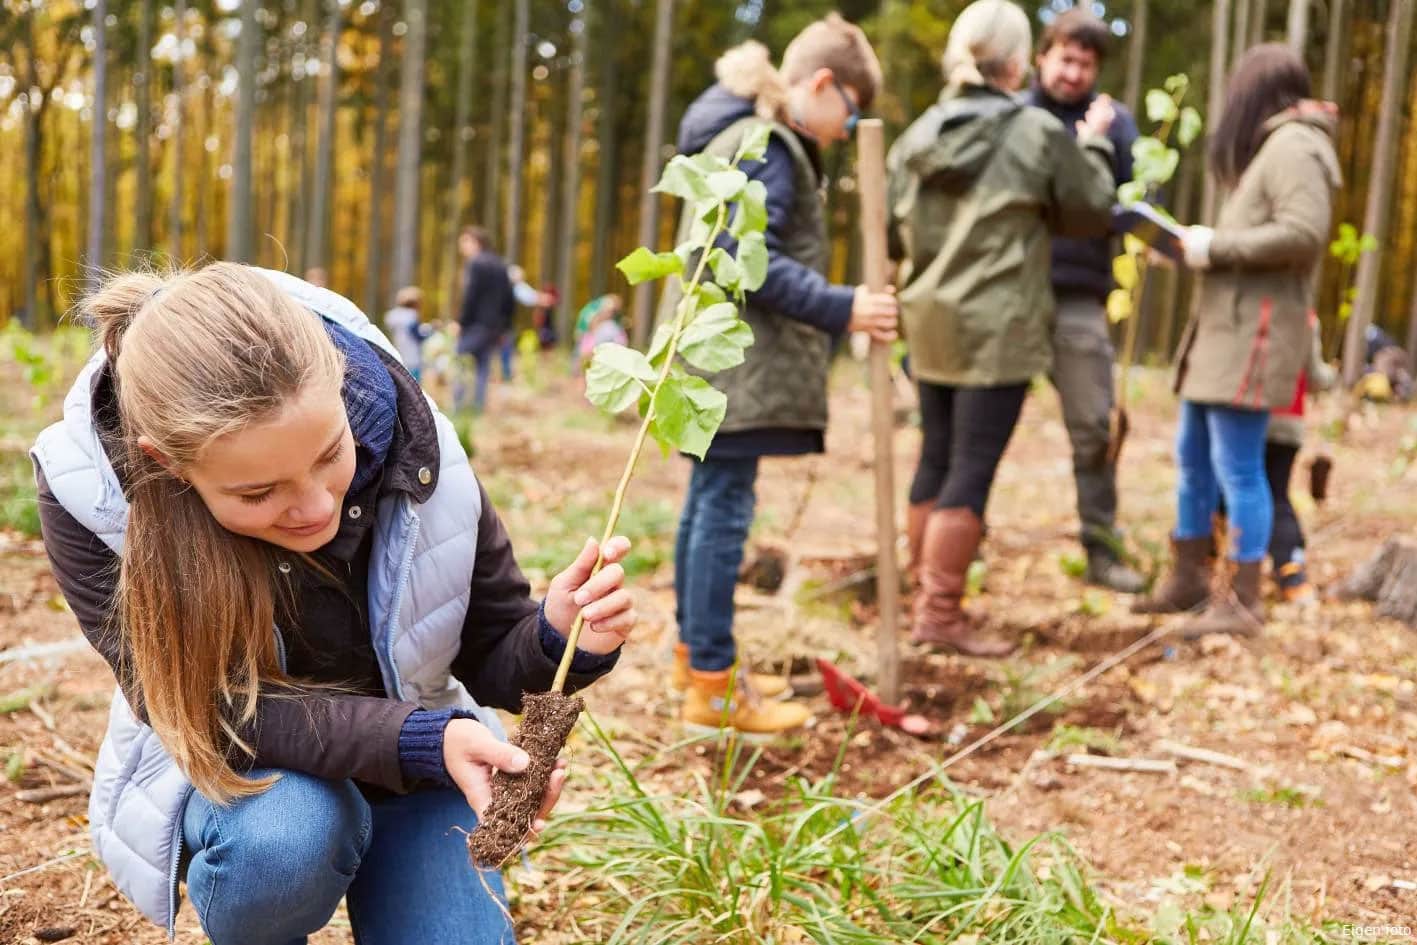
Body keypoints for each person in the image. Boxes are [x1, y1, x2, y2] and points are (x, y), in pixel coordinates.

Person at [31, 263, 638, 944]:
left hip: (416, 775)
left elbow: (492, 646)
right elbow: (204, 706)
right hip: (259, 783)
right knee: (289, 839)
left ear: (342, 390)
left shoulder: (416, 442)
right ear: (170, 462)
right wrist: (422, 740)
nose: (316, 505)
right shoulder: (93, 495)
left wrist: (560, 637)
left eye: (330, 454)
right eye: (258, 493)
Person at [665, 15, 898, 734]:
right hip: (736, 362)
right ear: (822, 85)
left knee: (709, 503)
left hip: (719, 360)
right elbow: (744, 260)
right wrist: (843, 305)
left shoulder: (745, 136)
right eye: (850, 110)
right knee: (723, 509)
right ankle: (711, 685)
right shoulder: (766, 144)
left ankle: (700, 662)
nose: (845, 128)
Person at [887, 0, 1117, 657]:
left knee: (934, 454)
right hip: (999, 326)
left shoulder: (919, 135)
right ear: (1017, 62)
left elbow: (887, 230)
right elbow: (1091, 207)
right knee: (970, 467)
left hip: (927, 321)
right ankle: (939, 613)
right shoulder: (1036, 131)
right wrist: (1095, 141)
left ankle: (919, 596)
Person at [1134, 44, 1340, 637]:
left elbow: (1303, 235)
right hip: (1220, 337)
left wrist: (1214, 247)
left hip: (1253, 337)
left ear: (1255, 91)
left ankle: (1244, 601)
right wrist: (1188, 252)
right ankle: (1188, 579)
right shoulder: (1271, 149)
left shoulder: (1298, 146)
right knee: (1194, 462)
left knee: (1241, 469)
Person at [1026, 8, 1146, 593]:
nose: (1073, 72)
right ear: (1042, 56)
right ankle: (952, 553)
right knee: (974, 425)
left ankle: (1101, 551)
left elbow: (1134, 197)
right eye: (1065, 58)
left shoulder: (1115, 122)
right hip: (1012, 295)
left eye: (1086, 63)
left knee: (1093, 427)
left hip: (1080, 295)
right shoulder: (1015, 114)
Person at [455, 226, 515, 413]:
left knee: (460, 360)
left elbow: (471, 296)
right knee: (483, 366)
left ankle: (458, 407)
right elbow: (509, 298)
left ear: (475, 242)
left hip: (475, 325)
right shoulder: (501, 265)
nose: (462, 248)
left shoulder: (475, 264)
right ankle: (477, 408)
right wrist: (505, 326)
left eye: (464, 242)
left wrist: (461, 322)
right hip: (494, 327)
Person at [383, 285, 430, 381]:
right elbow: (418, 336)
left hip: (399, 354)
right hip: (413, 357)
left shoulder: (394, 316)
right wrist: (429, 331)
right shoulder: (411, 317)